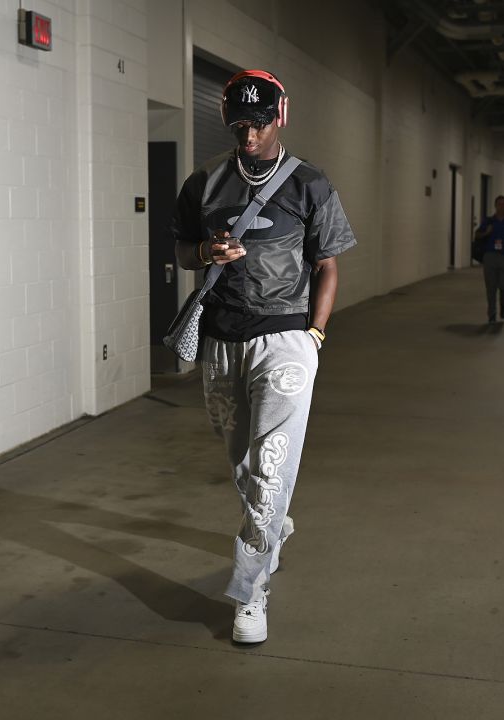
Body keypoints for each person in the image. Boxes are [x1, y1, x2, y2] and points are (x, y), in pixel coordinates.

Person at [171, 69, 357, 644]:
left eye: (256, 122)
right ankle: (273, 523)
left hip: (287, 341)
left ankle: (251, 593)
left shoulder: (311, 185)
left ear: (281, 115)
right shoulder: (203, 182)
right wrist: (207, 250)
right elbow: (181, 251)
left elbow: (327, 264)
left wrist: (316, 335)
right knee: (243, 461)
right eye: (237, 123)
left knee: (272, 465)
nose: (247, 134)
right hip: (223, 341)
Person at [473, 195, 504, 323]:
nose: (502, 206)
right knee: (491, 287)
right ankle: (492, 314)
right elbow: (477, 235)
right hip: (490, 256)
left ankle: (503, 305)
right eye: (499, 204)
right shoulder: (488, 221)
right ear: (495, 206)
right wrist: (486, 233)